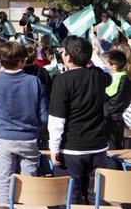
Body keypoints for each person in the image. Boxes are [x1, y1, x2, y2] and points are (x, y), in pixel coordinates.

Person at [0, 42, 48, 205]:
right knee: (29, 181)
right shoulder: (34, 82)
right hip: (29, 138)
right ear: (23, 61)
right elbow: (44, 116)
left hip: (4, 139)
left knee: (3, 181)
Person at [49, 36, 112, 205]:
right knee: (96, 196)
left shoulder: (62, 80)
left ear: (68, 56)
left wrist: (53, 147)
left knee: (70, 197)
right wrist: (96, 56)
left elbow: (57, 119)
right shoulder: (98, 75)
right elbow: (107, 72)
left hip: (71, 150)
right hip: (98, 147)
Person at [100, 50, 131, 150]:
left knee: (111, 149)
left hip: (112, 119)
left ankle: (112, 166)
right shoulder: (124, 77)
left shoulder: (117, 78)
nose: (104, 66)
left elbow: (105, 95)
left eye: (105, 64)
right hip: (117, 118)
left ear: (114, 66)